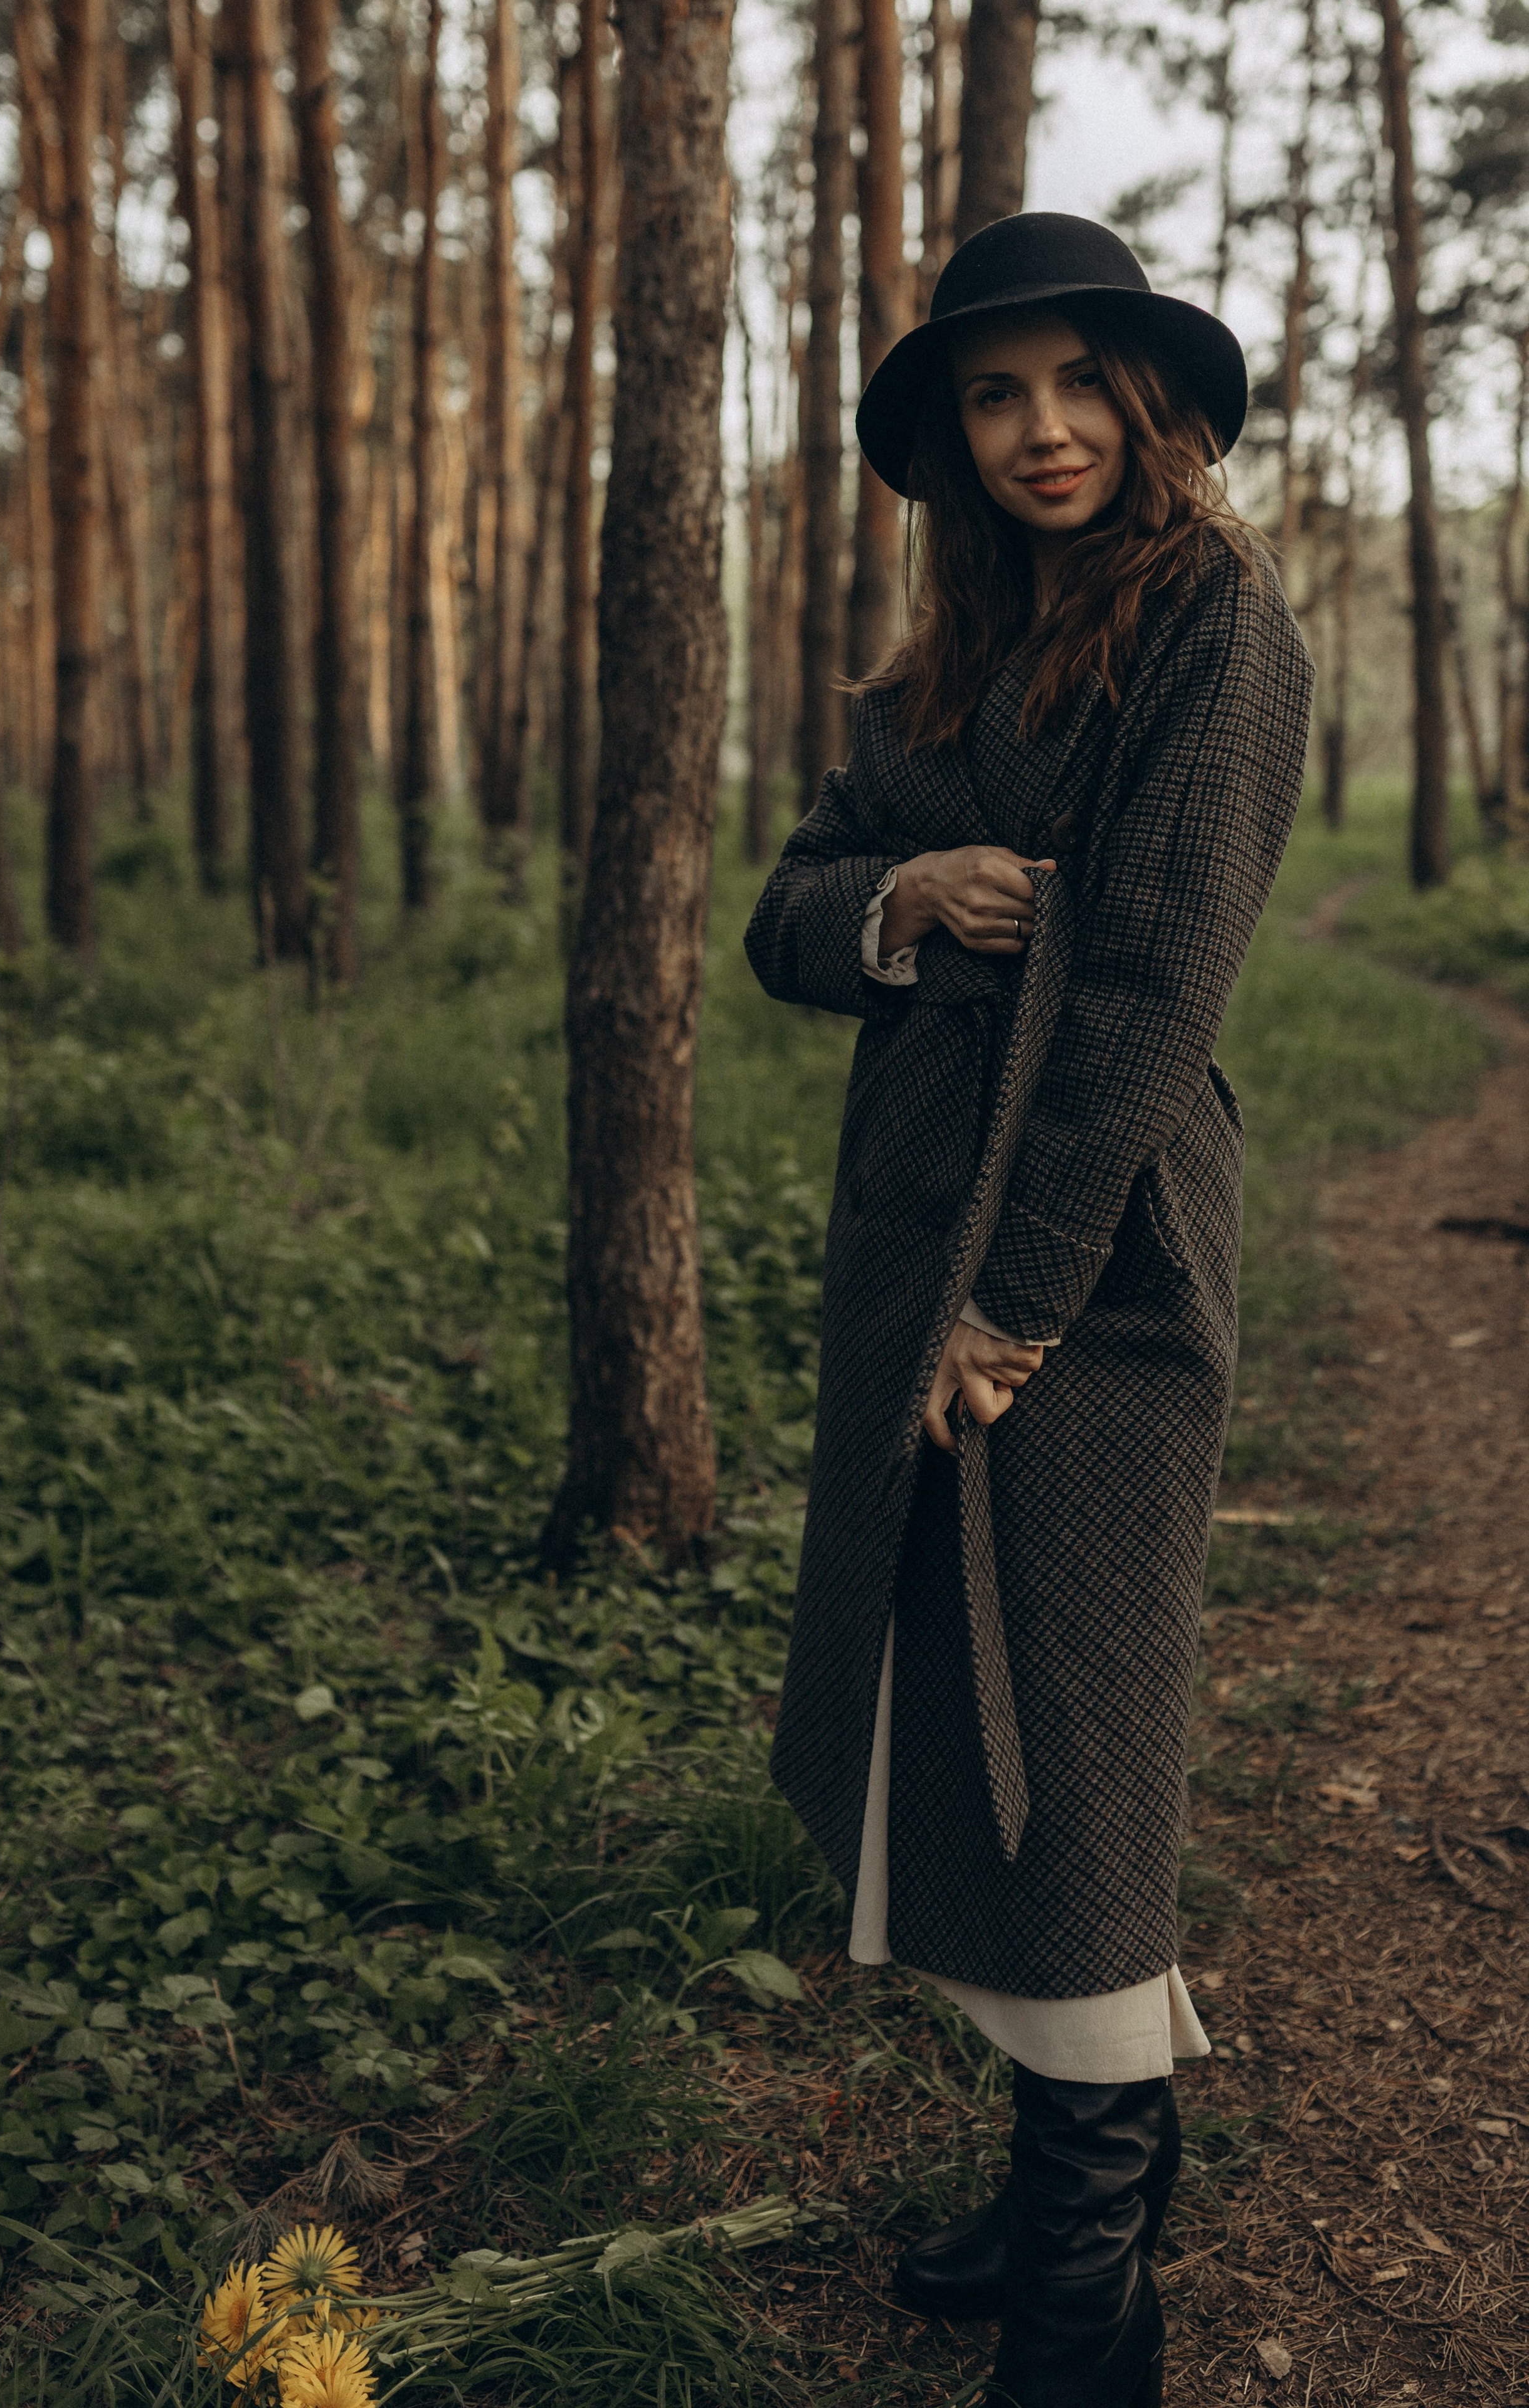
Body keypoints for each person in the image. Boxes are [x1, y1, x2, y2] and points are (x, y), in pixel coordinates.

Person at [744, 213, 1314, 2408]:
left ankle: (1098, 2296)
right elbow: (785, 914)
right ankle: (1054, 2178)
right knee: (959, 1749)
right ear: (950, 437)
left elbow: (1157, 990)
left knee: (1069, 1752)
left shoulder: (1214, 626)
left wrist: (1019, 1300)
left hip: (1092, 1268)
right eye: (996, 394)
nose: (1043, 428)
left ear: (1149, 402)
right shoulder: (947, 665)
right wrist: (890, 893)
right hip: (915, 1264)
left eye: (1080, 384)